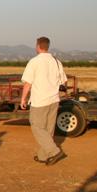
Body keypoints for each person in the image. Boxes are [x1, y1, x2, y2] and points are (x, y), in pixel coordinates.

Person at [20, 36, 67, 165]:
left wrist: (23, 99)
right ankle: (43, 156)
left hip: (39, 100)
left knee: (37, 127)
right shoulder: (56, 62)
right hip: (54, 100)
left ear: (38, 46)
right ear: (47, 46)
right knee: (48, 129)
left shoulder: (34, 62)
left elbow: (28, 83)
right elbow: (64, 81)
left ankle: (54, 152)